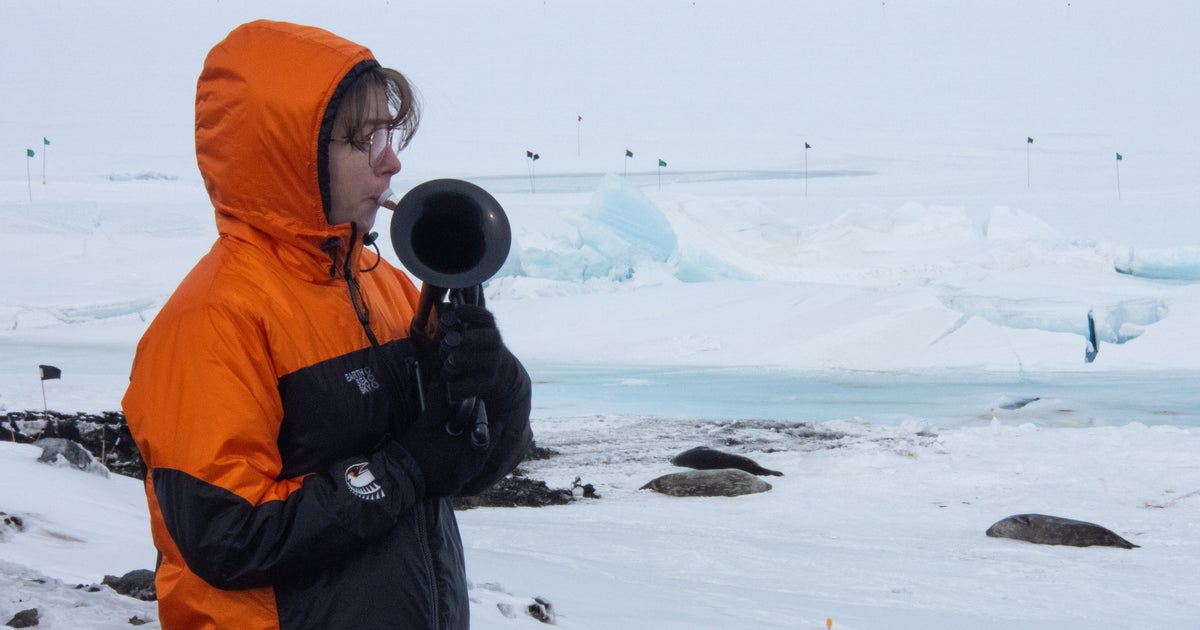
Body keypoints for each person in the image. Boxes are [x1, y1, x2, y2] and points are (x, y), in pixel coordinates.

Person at [122, 20, 532, 630]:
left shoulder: (384, 286)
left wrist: (500, 390)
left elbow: (462, 467)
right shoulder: (212, 321)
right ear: (290, 155)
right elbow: (226, 536)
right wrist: (402, 470)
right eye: (364, 140)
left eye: (388, 134)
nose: (392, 162)